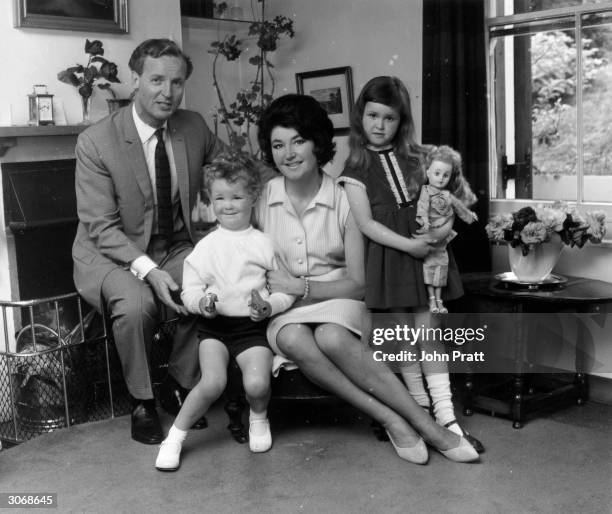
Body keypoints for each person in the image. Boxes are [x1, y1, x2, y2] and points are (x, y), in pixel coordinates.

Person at [253, 93, 478, 464]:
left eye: (298, 141)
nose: (288, 154)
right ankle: (400, 420)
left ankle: (425, 424)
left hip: (341, 299)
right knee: (292, 336)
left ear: (318, 144)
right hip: (285, 307)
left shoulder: (343, 195)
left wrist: (303, 287)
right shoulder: (262, 198)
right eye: (278, 145)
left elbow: (357, 283)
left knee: (330, 334)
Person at [72, 38, 224, 445]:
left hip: (171, 246)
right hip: (109, 255)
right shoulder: (96, 141)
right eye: (157, 80)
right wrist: (148, 271)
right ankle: (142, 401)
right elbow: (100, 227)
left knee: (210, 278)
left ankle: (179, 379)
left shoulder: (193, 126)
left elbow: (232, 170)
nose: (167, 93)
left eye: (176, 83)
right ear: (136, 79)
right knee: (137, 304)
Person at [339, 76, 484, 453]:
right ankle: (419, 408)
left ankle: (446, 415)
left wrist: (440, 233)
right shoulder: (355, 166)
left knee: (429, 334)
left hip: (429, 255)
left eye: (389, 118)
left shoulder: (421, 156)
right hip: (391, 256)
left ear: (401, 121)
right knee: (403, 337)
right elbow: (367, 223)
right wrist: (410, 246)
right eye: (372, 115)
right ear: (361, 116)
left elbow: (453, 196)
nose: (379, 125)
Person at [155, 152, 293, 471]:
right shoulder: (205, 247)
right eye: (220, 198)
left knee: (257, 384)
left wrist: (268, 306)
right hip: (214, 330)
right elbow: (190, 290)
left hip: (251, 330)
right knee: (212, 382)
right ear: (210, 200)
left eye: (236, 197)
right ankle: (174, 437)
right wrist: (201, 302)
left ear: (253, 198)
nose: (228, 205)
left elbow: (284, 292)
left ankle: (259, 417)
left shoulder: (264, 244)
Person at [416, 145, 478, 314]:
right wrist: (424, 222)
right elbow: (422, 208)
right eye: (437, 173)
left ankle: (438, 300)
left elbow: (459, 207)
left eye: (446, 175)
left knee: (441, 271)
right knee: (429, 270)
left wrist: (469, 215)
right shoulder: (426, 191)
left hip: (442, 241)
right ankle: (431, 300)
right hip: (429, 234)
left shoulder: (447, 195)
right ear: (428, 172)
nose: (441, 179)